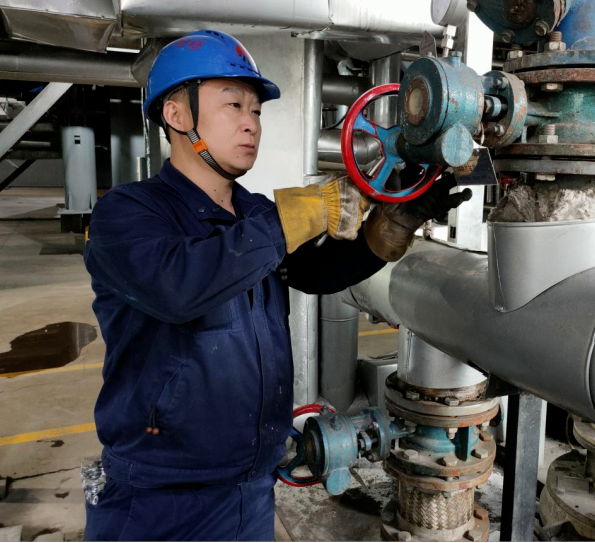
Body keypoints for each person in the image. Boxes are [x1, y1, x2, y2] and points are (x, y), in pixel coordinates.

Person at [82, 30, 471, 541]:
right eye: (233, 105)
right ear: (176, 115)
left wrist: (390, 227)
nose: (251, 123)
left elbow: (316, 273)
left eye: (256, 110)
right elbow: (179, 287)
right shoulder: (128, 213)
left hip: (251, 487)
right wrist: (302, 212)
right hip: (159, 495)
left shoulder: (255, 213)